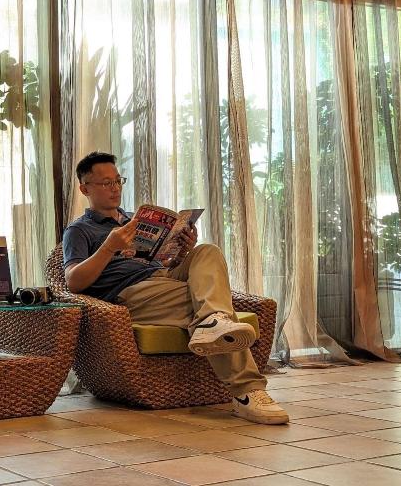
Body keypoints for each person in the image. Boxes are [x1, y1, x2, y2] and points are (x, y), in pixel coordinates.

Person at [62, 151, 288, 425]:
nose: (115, 188)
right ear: (85, 188)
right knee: (201, 304)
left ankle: (213, 320)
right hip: (132, 291)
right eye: (106, 183)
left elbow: (163, 262)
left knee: (207, 251)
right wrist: (109, 247)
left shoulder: (134, 220)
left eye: (118, 180)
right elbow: (73, 281)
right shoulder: (79, 230)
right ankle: (247, 392)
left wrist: (182, 249)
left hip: (165, 276)